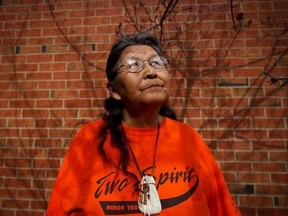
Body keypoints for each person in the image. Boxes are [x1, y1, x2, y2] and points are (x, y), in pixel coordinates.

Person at [46, 32, 241, 216]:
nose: (150, 72)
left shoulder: (189, 139)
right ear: (114, 90)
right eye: (134, 65)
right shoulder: (90, 140)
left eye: (157, 63)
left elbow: (223, 209)